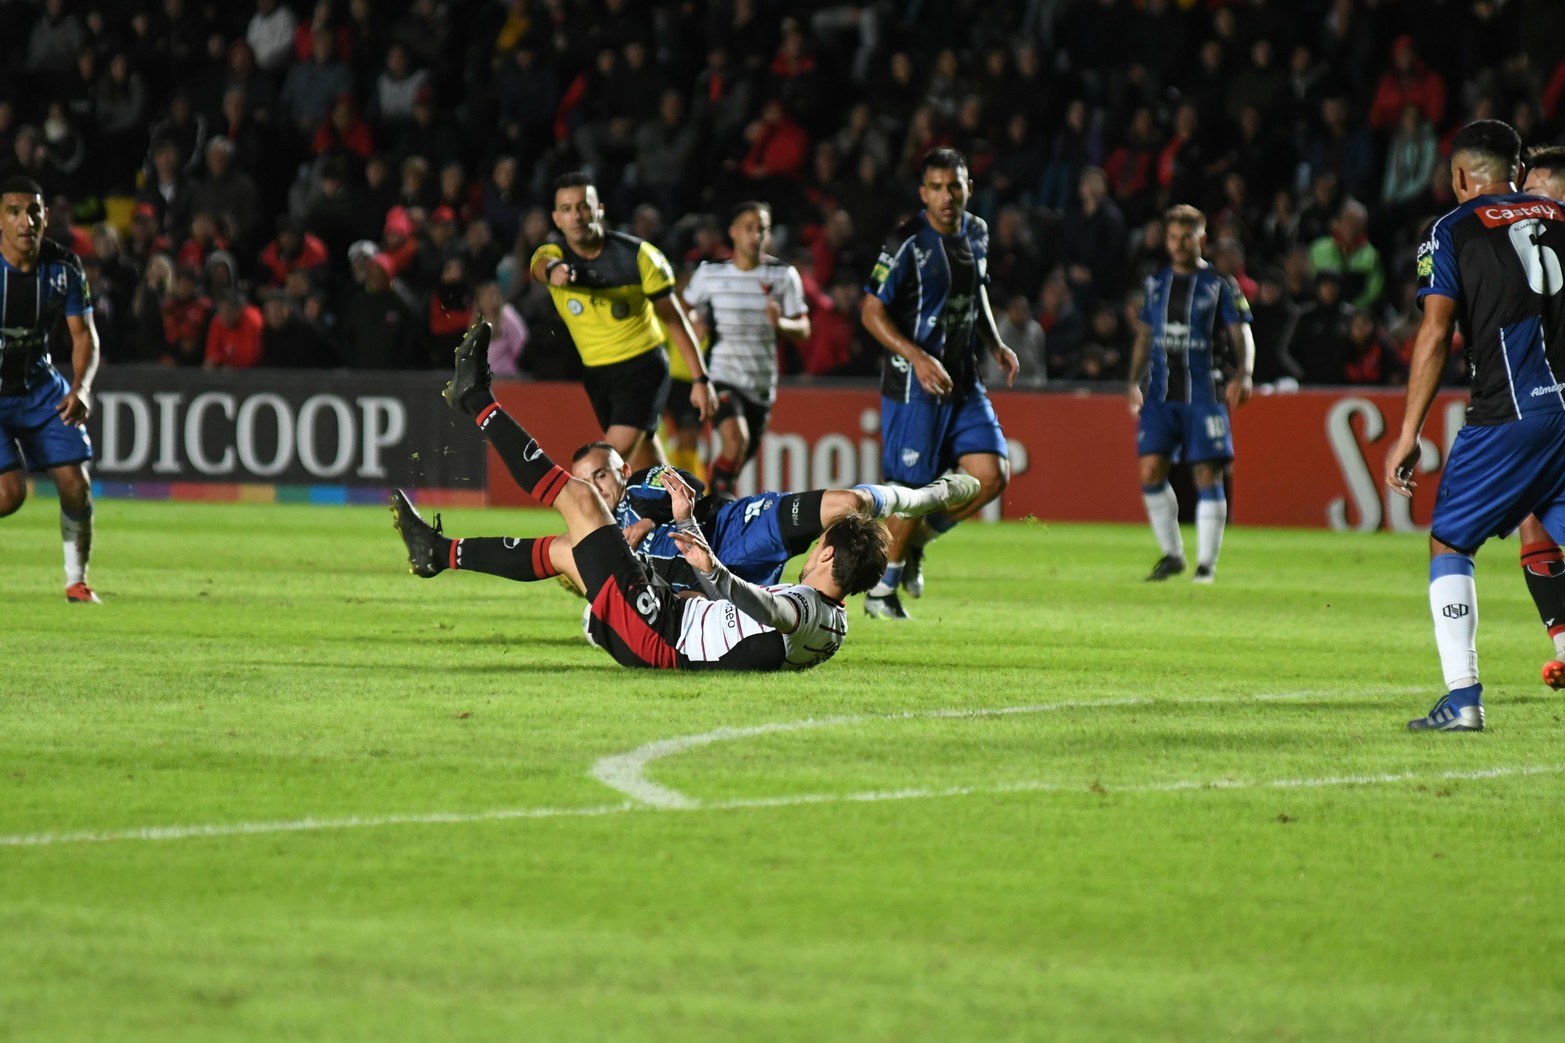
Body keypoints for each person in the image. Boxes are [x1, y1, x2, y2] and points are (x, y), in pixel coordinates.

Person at [399, 320, 888, 672]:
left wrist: (714, 570)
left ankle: (476, 399)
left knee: (581, 500)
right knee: (565, 550)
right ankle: (436, 552)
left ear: (827, 553)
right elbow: (743, 622)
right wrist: (690, 533)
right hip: (667, 617)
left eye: (818, 544)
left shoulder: (802, 608)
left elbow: (769, 610)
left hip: (658, 629)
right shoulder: (833, 623)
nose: (810, 552)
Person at [1385, 120, 1565, 732]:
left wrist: (1409, 432)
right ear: (1518, 171)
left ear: (1460, 176)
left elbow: (1436, 332)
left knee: (1450, 542)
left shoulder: (1451, 229)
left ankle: (1462, 699)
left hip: (1509, 412)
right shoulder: (1561, 216)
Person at [392, 438, 977, 594]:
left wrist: (650, 521)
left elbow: (690, 488)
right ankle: (439, 553)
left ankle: (927, 496)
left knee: (846, 505)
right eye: (589, 479)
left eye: (606, 473)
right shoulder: (598, 530)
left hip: (730, 534)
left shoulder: (647, 481)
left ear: (624, 468)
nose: (600, 485)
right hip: (699, 590)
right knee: (559, 551)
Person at [859, 147, 1019, 620]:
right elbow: (870, 311)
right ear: (923, 193)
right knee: (911, 491)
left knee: (992, 475)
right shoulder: (906, 242)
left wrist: (994, 341)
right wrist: (918, 357)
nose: (947, 196)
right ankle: (880, 592)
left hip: (963, 380)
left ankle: (916, 545)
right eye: (936, 187)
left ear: (969, 187)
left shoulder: (978, 232)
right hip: (915, 387)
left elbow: (976, 290)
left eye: (954, 186)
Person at [529, 171, 714, 472]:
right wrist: (553, 271)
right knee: (646, 468)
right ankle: (683, 500)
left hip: (642, 367)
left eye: (583, 206)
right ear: (556, 218)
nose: (576, 216)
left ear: (599, 209)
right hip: (597, 374)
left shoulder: (639, 257)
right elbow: (540, 264)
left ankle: (578, 506)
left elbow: (674, 320)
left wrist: (700, 379)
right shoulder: (553, 255)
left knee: (604, 465)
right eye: (566, 209)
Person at [1126, 204, 1256, 584]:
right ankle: (1173, 555)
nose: (1179, 244)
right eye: (1173, 237)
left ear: (1202, 239)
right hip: (1161, 394)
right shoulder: (1155, 284)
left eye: (1187, 237)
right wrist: (1132, 382)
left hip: (1205, 394)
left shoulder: (1221, 285)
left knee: (1206, 473)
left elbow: (1241, 333)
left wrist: (1245, 373)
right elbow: (1145, 336)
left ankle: (1206, 565)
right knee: (1150, 469)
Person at [0, 177, 101, 603]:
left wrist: (82, 388)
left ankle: (76, 582)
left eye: (33, 211)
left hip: (39, 388)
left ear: (45, 216)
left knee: (76, 486)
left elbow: (84, 336)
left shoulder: (64, 267)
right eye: (14, 212)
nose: (26, 221)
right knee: (9, 494)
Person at [681, 200, 809, 497]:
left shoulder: (783, 275)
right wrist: (695, 322)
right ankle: (714, 509)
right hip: (722, 375)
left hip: (761, 383)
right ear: (733, 232)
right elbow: (683, 309)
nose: (756, 235)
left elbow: (804, 329)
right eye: (749, 228)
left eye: (762, 229)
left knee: (737, 457)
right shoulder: (711, 273)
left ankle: (711, 503)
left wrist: (781, 324)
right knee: (735, 441)